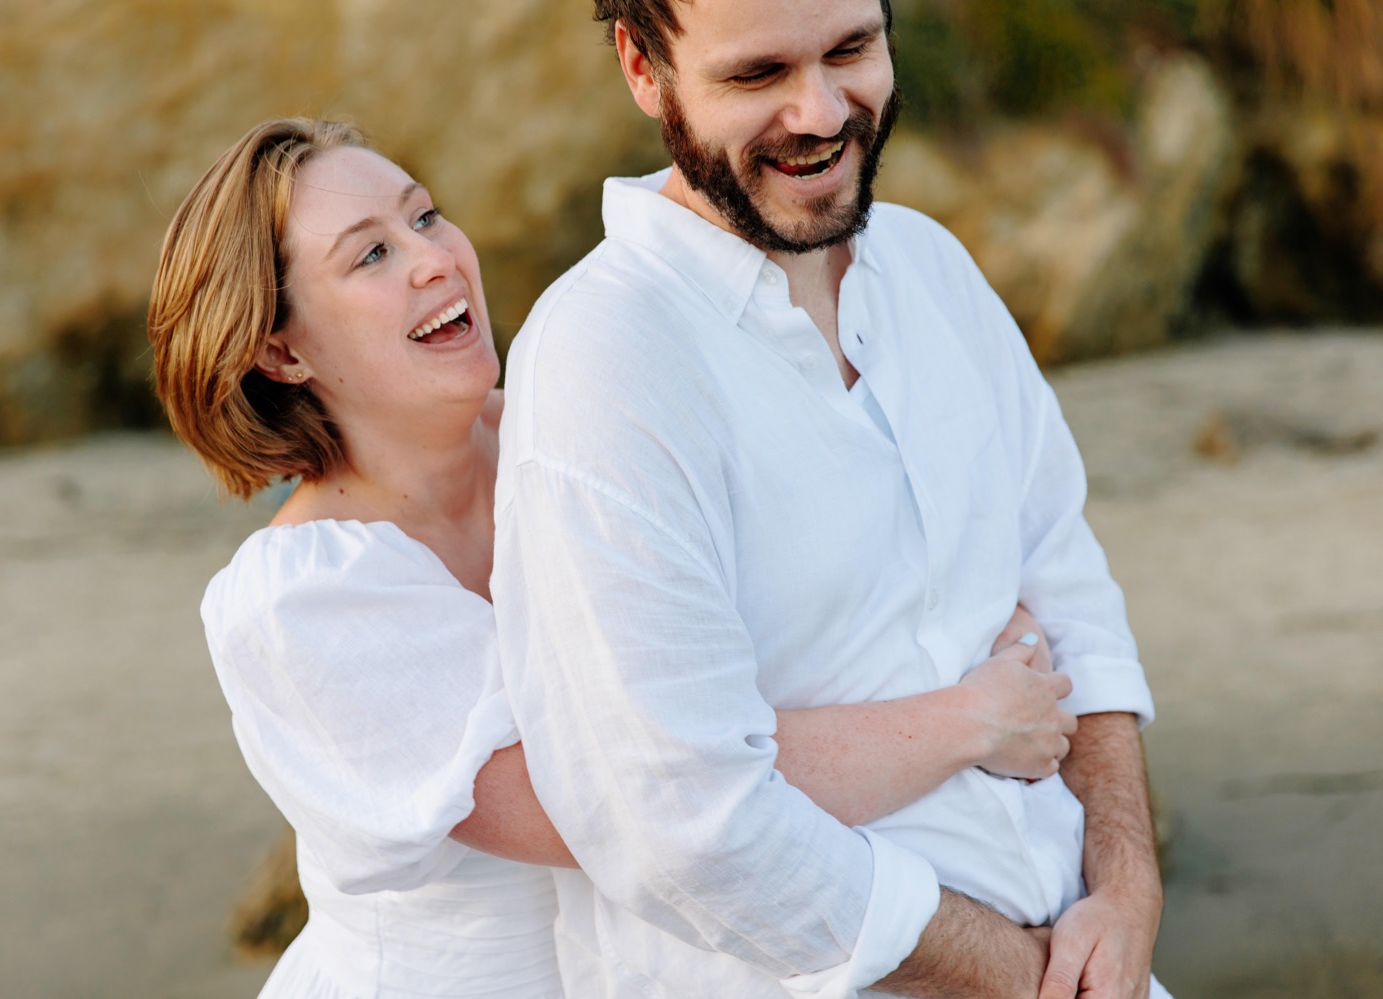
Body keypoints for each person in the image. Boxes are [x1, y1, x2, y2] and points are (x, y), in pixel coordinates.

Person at [146, 117, 1079, 998]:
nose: (437, 258)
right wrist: (969, 717)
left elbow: (808, 612)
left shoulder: (584, 437)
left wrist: (976, 603)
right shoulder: (305, 608)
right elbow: (639, 799)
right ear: (281, 349)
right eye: (372, 255)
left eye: (425, 214)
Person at [491, 2, 1170, 998]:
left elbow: (1071, 597)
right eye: (758, 74)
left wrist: (1128, 882)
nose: (819, 113)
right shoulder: (606, 356)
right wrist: (1017, 976)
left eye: (851, 50)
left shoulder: (931, 266)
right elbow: (682, 823)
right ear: (645, 68)